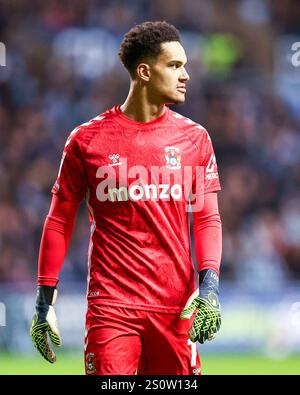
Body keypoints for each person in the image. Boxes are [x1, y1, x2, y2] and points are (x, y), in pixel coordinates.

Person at [30, 20, 222, 375]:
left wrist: (209, 285)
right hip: (111, 307)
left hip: (176, 305)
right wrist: (44, 304)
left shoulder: (195, 139)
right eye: (175, 65)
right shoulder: (86, 140)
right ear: (145, 71)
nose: (186, 75)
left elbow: (207, 217)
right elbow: (59, 220)